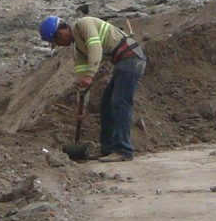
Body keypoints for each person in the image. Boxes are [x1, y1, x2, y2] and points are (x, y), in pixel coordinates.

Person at [39, 15, 146, 163]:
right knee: (106, 104)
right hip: (123, 62)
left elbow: (96, 49)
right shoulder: (78, 50)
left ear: (60, 34)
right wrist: (81, 107)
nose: (60, 45)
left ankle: (124, 150)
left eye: (56, 42)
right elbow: (82, 81)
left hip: (131, 57)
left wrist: (90, 75)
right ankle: (107, 148)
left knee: (120, 102)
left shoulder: (84, 24)